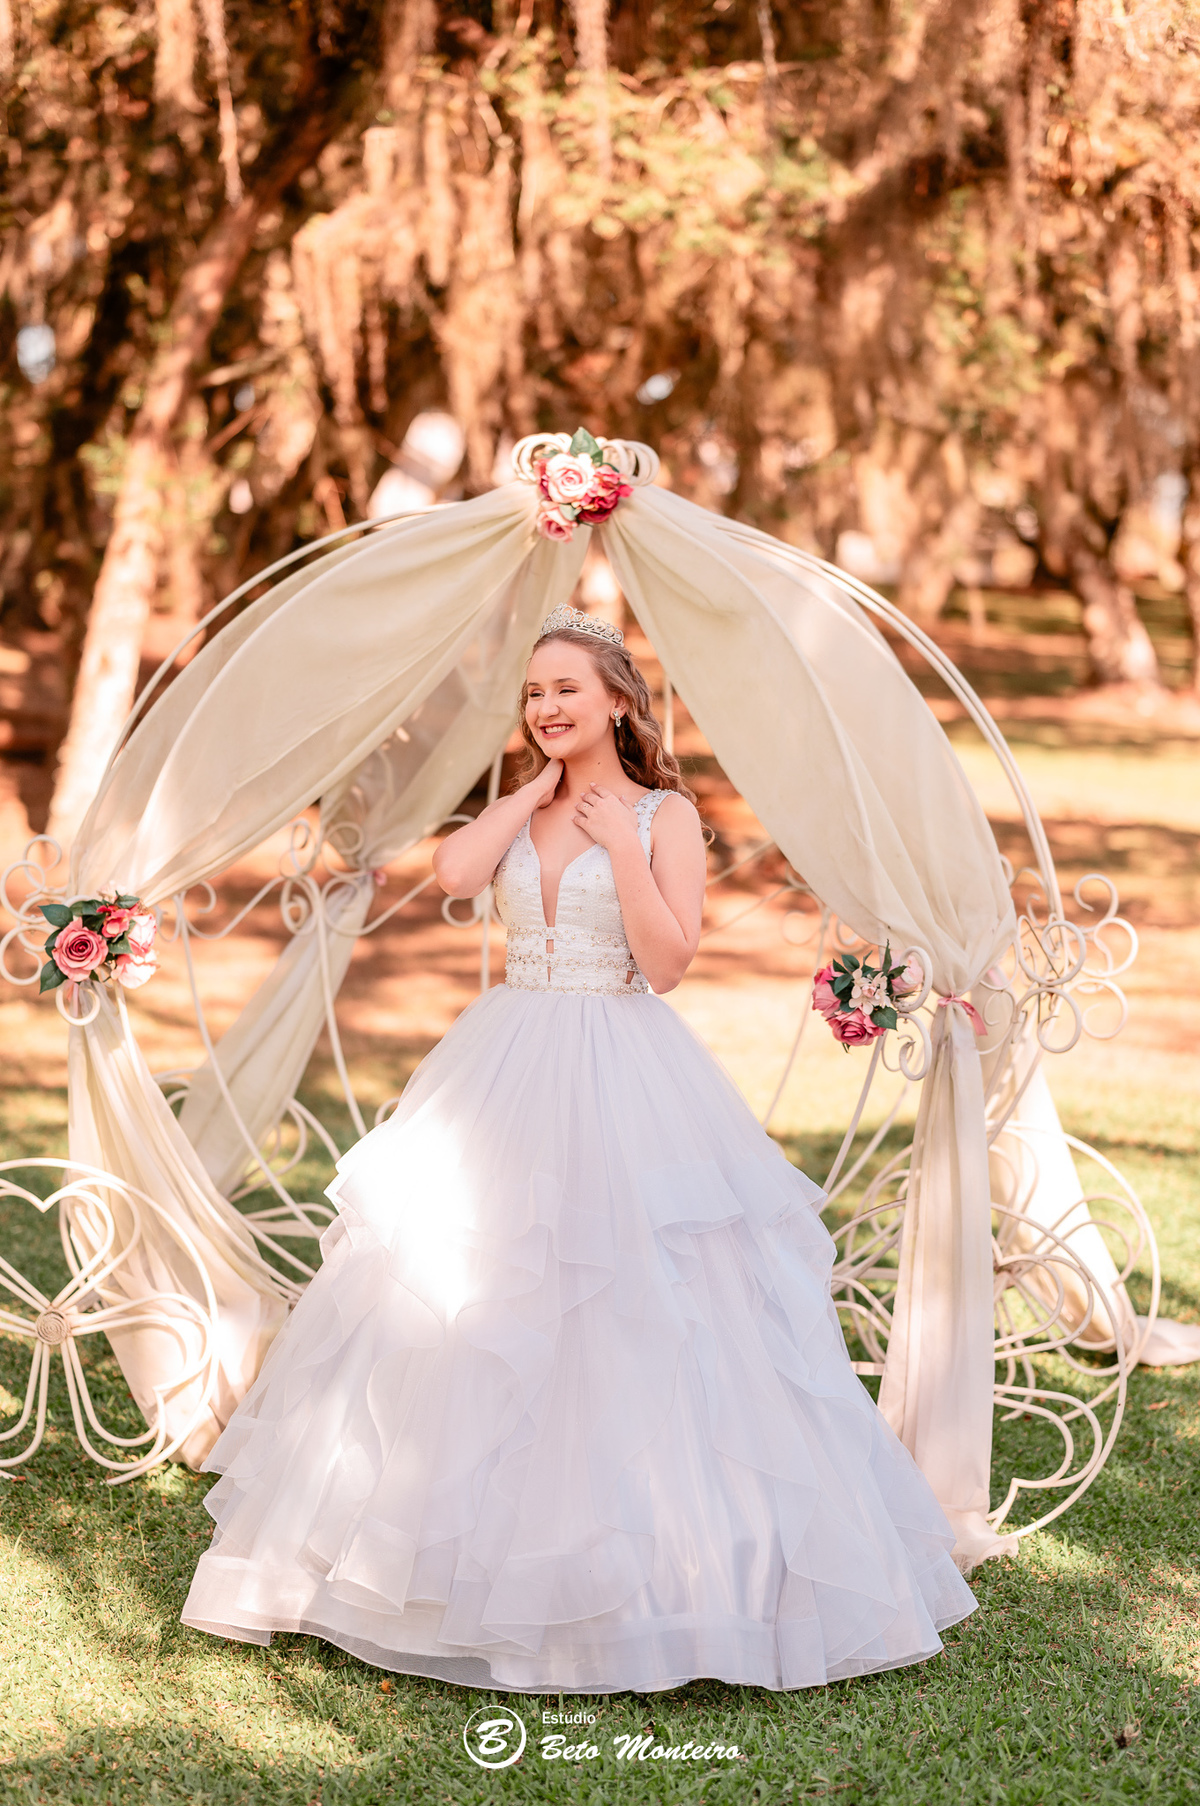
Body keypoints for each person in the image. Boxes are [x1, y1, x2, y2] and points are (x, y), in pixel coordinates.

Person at [182, 603, 976, 1692]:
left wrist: (619, 844)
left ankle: (661, 1577)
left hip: (623, 1061)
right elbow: (459, 878)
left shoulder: (665, 815)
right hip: (507, 1059)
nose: (547, 708)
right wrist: (526, 796)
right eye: (533, 694)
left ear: (617, 700)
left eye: (566, 690)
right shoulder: (525, 800)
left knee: (630, 1299)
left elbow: (668, 963)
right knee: (468, 1287)